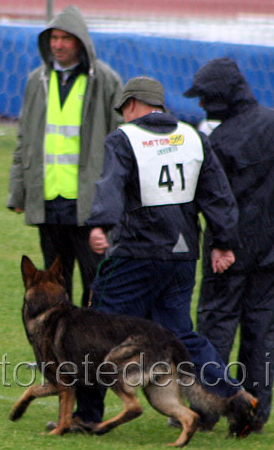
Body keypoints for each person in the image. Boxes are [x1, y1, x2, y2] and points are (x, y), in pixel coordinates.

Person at [73, 76, 255, 430]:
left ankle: (85, 415)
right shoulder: (193, 137)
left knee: (97, 333)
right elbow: (217, 194)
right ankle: (234, 395)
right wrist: (223, 242)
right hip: (181, 256)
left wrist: (100, 224)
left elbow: (109, 183)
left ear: (130, 105)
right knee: (180, 336)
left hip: (135, 255)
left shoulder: (123, 138)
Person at [183, 58, 274, 432]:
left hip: (229, 252)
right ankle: (253, 416)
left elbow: (213, 201)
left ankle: (206, 411)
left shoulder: (220, 141)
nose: (201, 105)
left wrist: (222, 243)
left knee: (216, 325)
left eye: (205, 97)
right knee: (262, 331)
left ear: (222, 95)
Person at [6, 5, 124, 307]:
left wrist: (114, 198)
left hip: (89, 205)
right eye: (53, 38)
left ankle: (96, 353)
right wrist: (18, 192)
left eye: (65, 38)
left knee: (96, 283)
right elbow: (25, 139)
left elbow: (121, 141)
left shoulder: (106, 80)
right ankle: (58, 352)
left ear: (81, 43)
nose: (57, 44)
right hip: (49, 201)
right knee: (55, 285)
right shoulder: (37, 81)